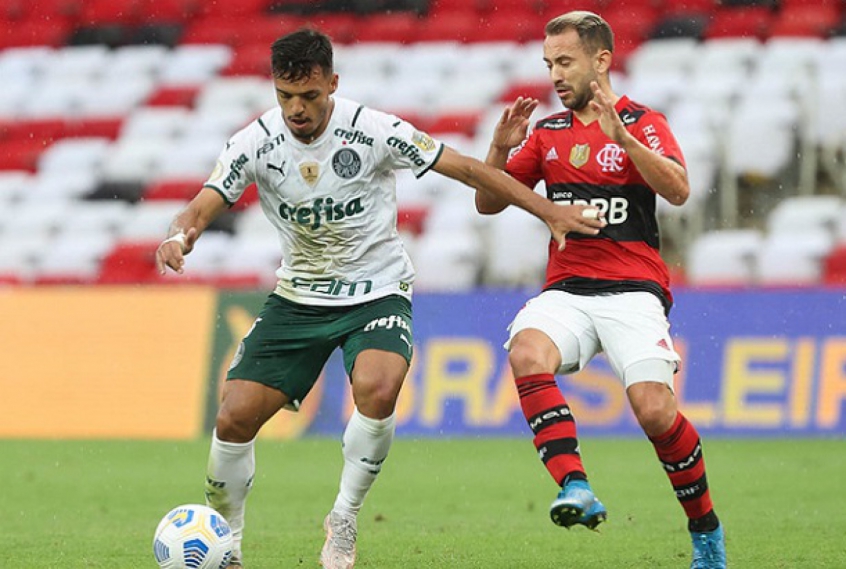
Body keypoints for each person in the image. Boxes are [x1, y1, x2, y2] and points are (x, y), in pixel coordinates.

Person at [155, 28, 603, 569]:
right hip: (298, 296)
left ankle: (343, 518)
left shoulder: (372, 131)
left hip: (377, 291)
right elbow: (204, 202)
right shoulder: (254, 142)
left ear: (332, 84)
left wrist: (549, 211)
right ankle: (227, 541)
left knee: (378, 385)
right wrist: (180, 235)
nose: (297, 109)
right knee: (233, 420)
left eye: (310, 96)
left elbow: (463, 168)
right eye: (285, 96)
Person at [475, 11, 727, 569]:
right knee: (526, 352)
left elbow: (679, 190)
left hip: (633, 291)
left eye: (565, 62)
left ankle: (706, 532)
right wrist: (497, 150)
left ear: (602, 60)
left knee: (655, 413)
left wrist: (626, 142)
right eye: (549, 65)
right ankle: (576, 486)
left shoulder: (643, 121)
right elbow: (488, 202)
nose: (555, 75)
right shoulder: (548, 132)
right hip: (567, 289)